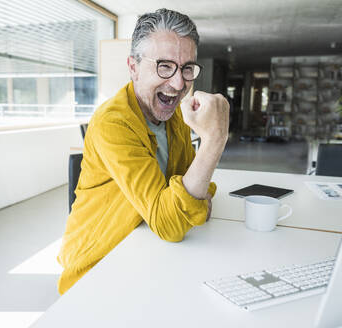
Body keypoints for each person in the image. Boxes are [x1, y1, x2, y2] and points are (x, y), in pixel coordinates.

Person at [57, 8, 229, 295]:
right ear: (133, 67)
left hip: (145, 254)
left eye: (187, 67)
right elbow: (171, 222)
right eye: (164, 65)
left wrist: (190, 200)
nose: (178, 83)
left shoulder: (173, 117)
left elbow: (194, 187)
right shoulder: (114, 122)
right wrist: (214, 140)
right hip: (96, 273)